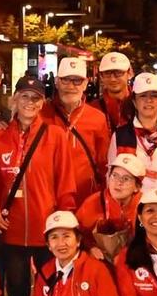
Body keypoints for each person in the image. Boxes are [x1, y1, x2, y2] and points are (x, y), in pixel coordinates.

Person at [0, 74, 80, 296]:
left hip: (45, 233)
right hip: (11, 231)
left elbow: (65, 183)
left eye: (36, 98)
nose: (29, 103)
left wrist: (64, 228)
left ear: (43, 103)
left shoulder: (54, 136)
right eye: (24, 97)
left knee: (49, 293)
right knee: (15, 293)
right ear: (14, 100)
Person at [43, 56, 113, 207]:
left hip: (85, 195)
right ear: (56, 81)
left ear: (86, 84)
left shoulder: (97, 117)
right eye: (66, 80)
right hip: (48, 194)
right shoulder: (41, 114)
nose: (71, 86)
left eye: (77, 81)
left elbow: (103, 161)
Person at [109, 72, 157, 192]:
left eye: (155, 96)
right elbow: (111, 178)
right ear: (134, 101)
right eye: (143, 96)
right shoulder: (120, 135)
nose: (149, 100)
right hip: (132, 206)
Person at [76, 152, 147, 263]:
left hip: (135, 263)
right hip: (99, 263)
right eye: (114, 175)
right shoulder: (92, 203)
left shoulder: (146, 206)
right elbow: (76, 232)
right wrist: (90, 248)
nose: (118, 182)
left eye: (126, 178)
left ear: (137, 187)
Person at [92, 51, 133, 129]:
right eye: (107, 73)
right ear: (101, 76)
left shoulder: (142, 106)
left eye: (118, 72)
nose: (113, 79)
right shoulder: (92, 109)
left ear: (129, 73)